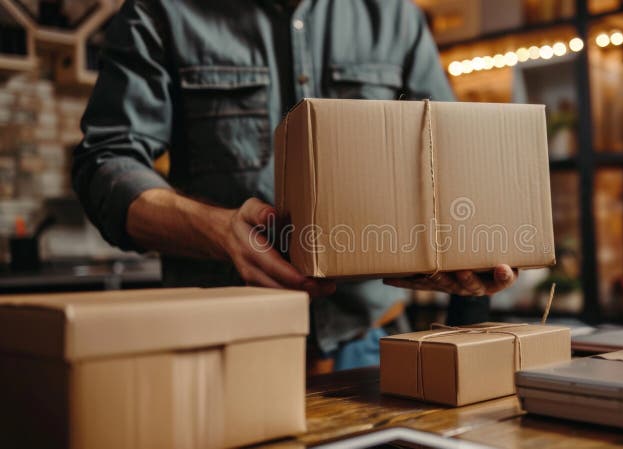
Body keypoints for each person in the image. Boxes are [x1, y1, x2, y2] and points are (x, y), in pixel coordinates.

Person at [72, 0, 518, 369]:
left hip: (369, 344)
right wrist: (219, 230)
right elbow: (105, 164)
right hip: (223, 348)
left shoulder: (394, 15)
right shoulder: (160, 10)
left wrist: (464, 253)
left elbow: (449, 156)